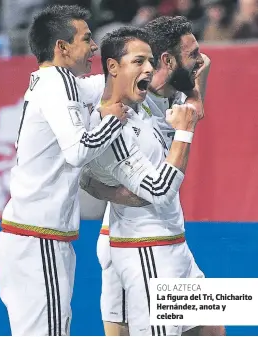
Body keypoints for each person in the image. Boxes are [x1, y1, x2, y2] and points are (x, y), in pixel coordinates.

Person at [82, 17, 223, 336]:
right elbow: (156, 189)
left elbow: (206, 62)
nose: (200, 59)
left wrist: (194, 96)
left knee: (212, 329)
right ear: (168, 61)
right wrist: (184, 132)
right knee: (126, 328)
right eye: (192, 54)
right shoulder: (121, 113)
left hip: (172, 238)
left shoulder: (170, 87)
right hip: (142, 243)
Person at [0, 5, 128, 336]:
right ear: (61, 47)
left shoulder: (53, 82)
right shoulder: (59, 82)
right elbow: (78, 150)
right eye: (86, 38)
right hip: (38, 242)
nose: (94, 46)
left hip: (32, 239)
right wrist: (114, 119)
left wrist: (138, 67)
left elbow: (104, 85)